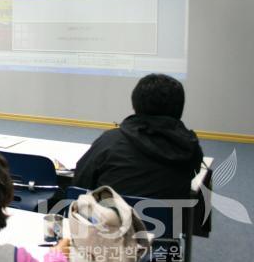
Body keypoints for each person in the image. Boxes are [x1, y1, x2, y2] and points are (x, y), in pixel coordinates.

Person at [72, 73, 204, 199]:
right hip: (166, 221)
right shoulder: (190, 148)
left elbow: (80, 183)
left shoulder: (109, 142)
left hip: (110, 221)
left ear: (134, 104)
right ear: (180, 108)